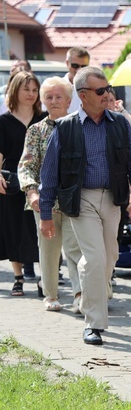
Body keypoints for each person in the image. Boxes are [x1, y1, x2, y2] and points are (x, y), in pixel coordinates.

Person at [39, 66, 131, 346]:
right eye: (101, 91)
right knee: (95, 259)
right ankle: (94, 323)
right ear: (83, 95)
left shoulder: (120, 124)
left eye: (108, 89)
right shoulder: (65, 127)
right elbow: (49, 174)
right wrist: (46, 214)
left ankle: (92, 293)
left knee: (108, 257)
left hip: (112, 199)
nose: (107, 94)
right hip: (81, 199)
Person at [17, 77, 83, 312]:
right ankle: (51, 295)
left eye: (58, 97)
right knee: (48, 249)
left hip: (76, 200)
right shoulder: (36, 130)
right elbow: (26, 164)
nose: (54, 101)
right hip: (44, 202)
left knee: (76, 249)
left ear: (68, 100)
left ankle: (79, 295)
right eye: (49, 97)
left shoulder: (80, 126)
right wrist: (31, 192)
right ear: (43, 101)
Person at [0, 71, 44, 297]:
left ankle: (44, 278)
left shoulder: (45, 119)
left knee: (41, 230)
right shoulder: (4, 121)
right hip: (11, 184)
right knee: (13, 229)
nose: (31, 94)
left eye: (35, 90)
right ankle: (18, 277)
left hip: (41, 184)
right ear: (15, 90)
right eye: (26, 89)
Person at [64, 47, 90, 113]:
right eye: (75, 66)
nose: (79, 70)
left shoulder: (92, 88)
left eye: (84, 66)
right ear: (67, 63)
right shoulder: (57, 87)